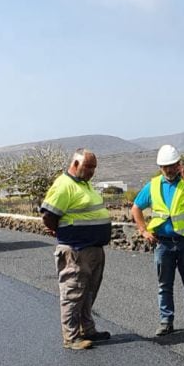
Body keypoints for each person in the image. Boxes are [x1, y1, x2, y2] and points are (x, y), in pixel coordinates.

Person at [130, 145, 184, 336]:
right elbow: (136, 208)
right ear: (160, 167)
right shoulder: (153, 185)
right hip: (163, 243)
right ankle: (166, 321)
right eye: (165, 167)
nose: (169, 170)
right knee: (164, 284)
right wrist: (143, 230)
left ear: (179, 165)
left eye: (173, 166)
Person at [40, 149, 113, 350]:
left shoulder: (85, 185)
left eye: (93, 168)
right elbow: (49, 215)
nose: (91, 171)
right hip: (76, 250)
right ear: (75, 164)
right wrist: (66, 234)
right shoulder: (64, 185)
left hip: (93, 249)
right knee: (73, 293)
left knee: (88, 293)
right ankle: (71, 337)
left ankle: (87, 330)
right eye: (88, 167)